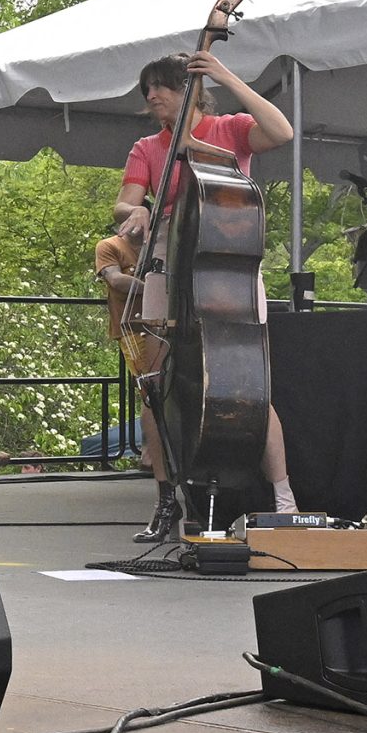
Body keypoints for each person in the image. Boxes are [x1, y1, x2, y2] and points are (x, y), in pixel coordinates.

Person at [110, 50, 297, 541]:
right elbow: (125, 200)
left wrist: (226, 74)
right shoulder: (148, 147)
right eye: (147, 89)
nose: (152, 96)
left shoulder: (231, 130)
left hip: (227, 266)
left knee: (254, 388)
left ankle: (284, 497)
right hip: (168, 261)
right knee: (153, 385)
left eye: (163, 86)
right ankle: (167, 498)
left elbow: (281, 132)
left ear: (191, 88)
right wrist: (141, 211)